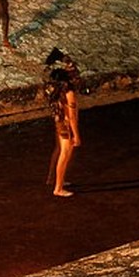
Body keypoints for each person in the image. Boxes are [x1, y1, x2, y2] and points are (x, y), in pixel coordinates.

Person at [46, 67, 81, 197]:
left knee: (62, 153)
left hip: (60, 123)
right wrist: (76, 135)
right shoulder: (69, 93)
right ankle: (58, 188)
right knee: (65, 155)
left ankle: (59, 181)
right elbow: (72, 117)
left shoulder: (56, 91)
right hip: (66, 126)